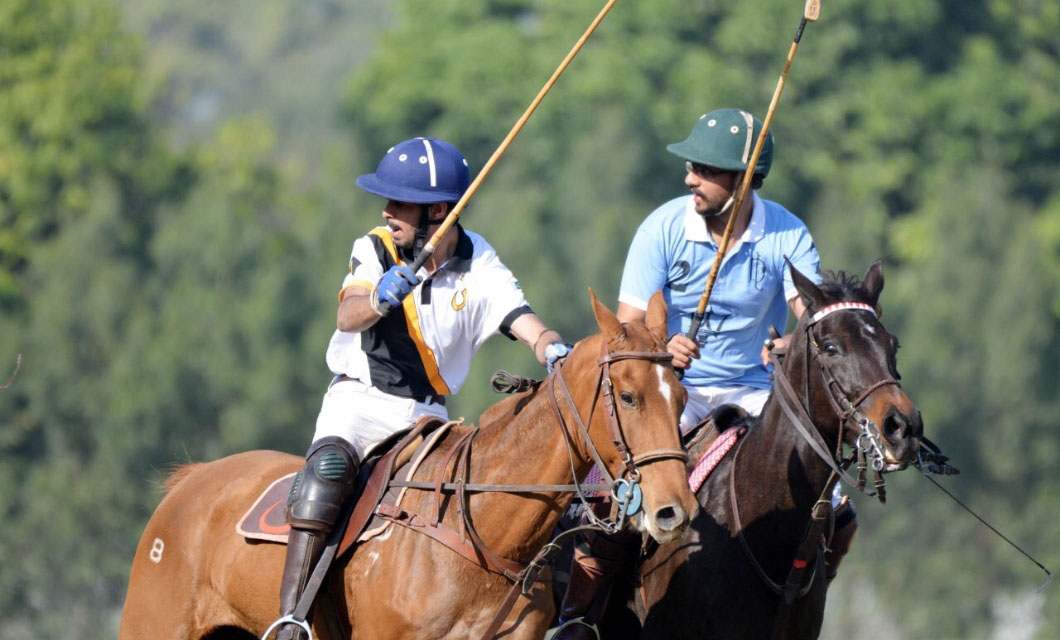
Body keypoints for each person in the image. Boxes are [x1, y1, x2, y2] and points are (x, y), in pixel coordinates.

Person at [554, 108, 855, 638]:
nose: (689, 177)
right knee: (607, 500)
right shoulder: (664, 228)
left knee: (837, 507)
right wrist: (664, 346)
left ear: (742, 183)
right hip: (673, 393)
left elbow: (812, 320)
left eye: (705, 169)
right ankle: (581, 618)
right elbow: (624, 332)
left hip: (758, 395)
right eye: (691, 165)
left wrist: (788, 343)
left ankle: (800, 597)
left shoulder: (786, 232)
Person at [271, 137, 571, 640]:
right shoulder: (373, 247)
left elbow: (524, 321)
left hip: (428, 419)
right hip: (358, 403)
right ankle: (291, 621)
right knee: (324, 476)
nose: (387, 211)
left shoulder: (479, 262)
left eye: (400, 203)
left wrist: (554, 350)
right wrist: (380, 300)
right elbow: (348, 315)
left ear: (438, 211)